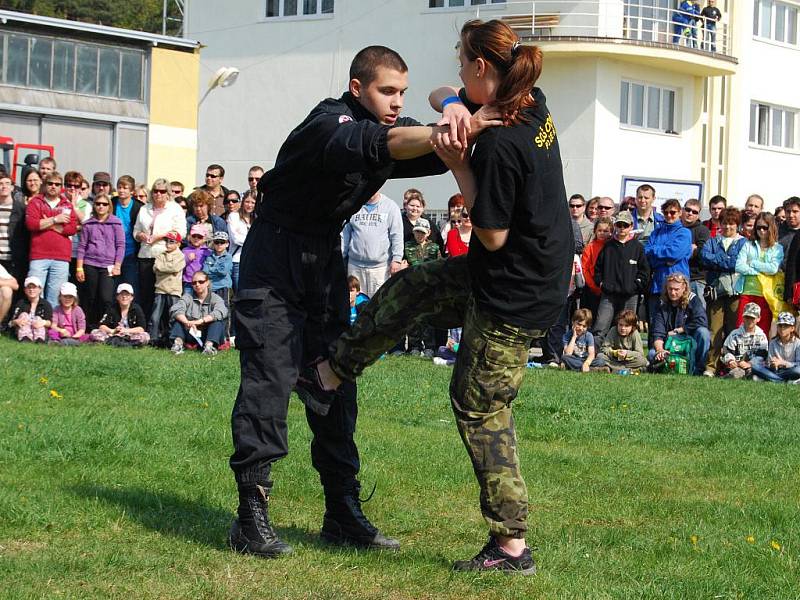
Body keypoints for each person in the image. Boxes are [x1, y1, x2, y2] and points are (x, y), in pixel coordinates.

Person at [298, 21, 573, 573]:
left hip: (514, 292)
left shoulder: (499, 143)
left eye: (458, 66)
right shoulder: (530, 101)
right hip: (515, 272)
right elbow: (436, 96)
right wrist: (453, 109)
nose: (452, 76)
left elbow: (492, 234)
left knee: (479, 405)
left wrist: (455, 162)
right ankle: (327, 376)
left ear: (479, 68)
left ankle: (511, 545)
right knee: (414, 286)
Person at [230, 44, 488, 559]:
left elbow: (430, 154)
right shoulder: (329, 124)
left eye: (402, 93)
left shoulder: (387, 125)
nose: (396, 101)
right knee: (270, 377)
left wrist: (457, 114)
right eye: (386, 91)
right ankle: (250, 513)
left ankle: (341, 511)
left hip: (324, 257)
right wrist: (451, 124)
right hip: (274, 257)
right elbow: (383, 142)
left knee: (333, 378)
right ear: (357, 88)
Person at [700, 207, 747, 376]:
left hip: (735, 292)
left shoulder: (743, 242)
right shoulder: (713, 241)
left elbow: (738, 263)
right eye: (725, 223)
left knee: (733, 330)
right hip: (715, 292)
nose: (728, 227)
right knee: (715, 331)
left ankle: (731, 366)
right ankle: (711, 366)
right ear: (720, 224)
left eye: (732, 223)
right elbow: (704, 258)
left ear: (737, 225)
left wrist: (718, 261)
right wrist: (725, 260)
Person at [592, 211, 650, 342]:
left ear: (631, 226)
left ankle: (625, 358)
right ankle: (595, 356)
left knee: (627, 328)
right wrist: (601, 284)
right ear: (615, 226)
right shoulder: (608, 246)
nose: (622, 228)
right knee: (601, 326)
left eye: (625, 225)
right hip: (608, 295)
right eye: (619, 225)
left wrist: (635, 286)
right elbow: (597, 269)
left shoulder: (638, 247)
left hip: (630, 296)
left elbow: (644, 271)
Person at [133, 179, 186, 317]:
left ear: (168, 193)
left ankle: (164, 329)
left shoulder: (175, 209)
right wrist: (141, 235)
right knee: (146, 293)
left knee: (163, 294)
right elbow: (135, 230)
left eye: (162, 191)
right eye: (155, 191)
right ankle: (147, 327)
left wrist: (161, 236)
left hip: (165, 255)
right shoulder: (144, 208)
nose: (158, 194)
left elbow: (181, 232)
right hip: (145, 254)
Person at [25, 170, 78, 306]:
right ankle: (35, 323)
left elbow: (72, 229)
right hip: (39, 255)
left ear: (61, 187)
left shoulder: (67, 204)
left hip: (61, 257)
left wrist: (47, 223)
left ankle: (50, 325)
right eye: (50, 183)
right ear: (45, 184)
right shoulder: (36, 202)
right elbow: (32, 224)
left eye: (57, 184)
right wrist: (56, 219)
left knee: (55, 297)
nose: (53, 186)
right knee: (34, 293)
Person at [644, 198, 692, 342]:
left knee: (676, 324)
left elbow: (675, 253)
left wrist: (656, 252)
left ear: (680, 213)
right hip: (658, 285)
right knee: (655, 323)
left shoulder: (684, 233)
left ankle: (677, 357)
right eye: (666, 212)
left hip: (678, 286)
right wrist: (665, 258)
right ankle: (654, 356)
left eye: (673, 212)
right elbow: (647, 254)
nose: (669, 215)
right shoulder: (655, 233)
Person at [341, 190, 404, 297]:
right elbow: (345, 235)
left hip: (380, 269)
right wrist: (340, 256)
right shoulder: (353, 205)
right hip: (355, 266)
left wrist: (397, 259)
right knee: (353, 304)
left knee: (377, 303)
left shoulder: (390, 206)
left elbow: (397, 235)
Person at [76, 192, 125, 329]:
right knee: (90, 297)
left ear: (109, 206)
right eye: (98, 204)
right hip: (90, 263)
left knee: (106, 298)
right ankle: (88, 326)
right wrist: (79, 268)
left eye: (104, 204)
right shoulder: (88, 224)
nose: (101, 207)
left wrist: (117, 265)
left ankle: (106, 325)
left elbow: (120, 245)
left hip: (108, 265)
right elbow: (82, 247)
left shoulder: (116, 223)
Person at [649, 272, 710, 375]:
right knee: (651, 354)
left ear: (684, 288)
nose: (673, 293)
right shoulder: (661, 304)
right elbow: (657, 333)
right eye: (670, 289)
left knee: (703, 332)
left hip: (690, 344)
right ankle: (666, 366)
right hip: (670, 345)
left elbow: (702, 320)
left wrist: (681, 330)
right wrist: (660, 350)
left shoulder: (693, 299)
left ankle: (699, 369)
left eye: (676, 289)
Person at [735, 212, 783, 333]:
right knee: (741, 329)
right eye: (758, 227)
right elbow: (739, 266)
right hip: (747, 292)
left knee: (762, 331)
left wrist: (753, 263)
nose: (761, 231)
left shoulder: (777, 248)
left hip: (765, 295)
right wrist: (758, 272)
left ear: (771, 228)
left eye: (765, 228)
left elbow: (773, 269)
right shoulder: (748, 245)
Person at [168, 270, 227, 355]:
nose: (197, 285)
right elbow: (175, 309)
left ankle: (209, 347)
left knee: (217, 322)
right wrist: (187, 322)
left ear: (207, 282)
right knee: (178, 321)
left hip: (208, 335)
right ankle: (178, 345)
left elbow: (221, 311)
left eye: (201, 282)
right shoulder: (187, 297)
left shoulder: (216, 298)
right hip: (190, 331)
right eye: (194, 283)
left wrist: (200, 321)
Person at [149, 230, 186, 345]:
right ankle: (153, 338)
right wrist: (167, 268)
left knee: (174, 316)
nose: (168, 244)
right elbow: (155, 268)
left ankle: (173, 339)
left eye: (171, 242)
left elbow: (175, 268)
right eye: (166, 241)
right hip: (160, 288)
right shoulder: (161, 255)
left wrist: (163, 268)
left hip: (174, 290)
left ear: (178, 244)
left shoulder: (180, 256)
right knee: (155, 316)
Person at [719, 302, 768, 379]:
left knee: (756, 376)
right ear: (743, 317)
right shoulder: (735, 334)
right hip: (736, 366)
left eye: (752, 318)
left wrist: (750, 364)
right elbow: (727, 350)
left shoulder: (762, 336)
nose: (749, 320)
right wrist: (731, 361)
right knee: (735, 374)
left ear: (758, 319)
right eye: (747, 317)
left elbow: (763, 355)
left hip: (754, 367)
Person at [113, 175, 143, 296]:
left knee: (131, 287)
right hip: (113, 253)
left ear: (132, 191)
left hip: (131, 253)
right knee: (113, 288)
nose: (121, 190)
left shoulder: (138, 207)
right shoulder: (112, 203)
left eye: (125, 188)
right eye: (119, 187)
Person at [750, 312, 800, 383]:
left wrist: (783, 363)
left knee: (798, 370)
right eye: (780, 325)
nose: (782, 328)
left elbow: (798, 364)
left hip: (790, 370)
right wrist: (772, 364)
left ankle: (769, 378)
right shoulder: (773, 342)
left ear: (792, 328)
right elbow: (769, 363)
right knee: (755, 366)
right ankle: (783, 381)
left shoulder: (798, 343)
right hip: (775, 371)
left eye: (785, 326)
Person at [580, 217, 613, 320]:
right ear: (595, 231)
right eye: (599, 230)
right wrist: (594, 287)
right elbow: (585, 269)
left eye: (606, 231)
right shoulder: (590, 247)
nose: (602, 233)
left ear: (611, 232)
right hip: (592, 289)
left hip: (609, 288)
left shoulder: (613, 247)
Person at [596, 309, 648, 373]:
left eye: (626, 326)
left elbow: (640, 353)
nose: (623, 328)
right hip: (614, 359)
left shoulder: (635, 333)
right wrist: (614, 352)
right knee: (600, 356)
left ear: (632, 326)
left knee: (642, 361)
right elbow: (604, 348)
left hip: (629, 360)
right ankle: (628, 370)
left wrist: (627, 353)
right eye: (620, 325)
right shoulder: (613, 330)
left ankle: (614, 369)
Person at [0, 173, 27, 294]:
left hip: (14, 259)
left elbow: (26, 235)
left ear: (12, 187)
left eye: (7, 183)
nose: (3, 186)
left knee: (14, 292)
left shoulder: (21, 209)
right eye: (0, 184)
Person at [681, 198, 711, 307]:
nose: (690, 213)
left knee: (698, 316)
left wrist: (694, 250)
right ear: (682, 210)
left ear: (698, 215)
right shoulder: (676, 228)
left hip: (696, 279)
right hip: (677, 279)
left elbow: (703, 254)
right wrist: (688, 249)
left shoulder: (703, 230)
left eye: (694, 212)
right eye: (688, 210)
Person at [9, 275, 52, 342]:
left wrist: (43, 322)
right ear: (25, 290)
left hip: (39, 329)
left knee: (38, 318)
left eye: (34, 287)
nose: (31, 290)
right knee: (24, 315)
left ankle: (40, 339)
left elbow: (50, 322)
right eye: (29, 287)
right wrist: (16, 321)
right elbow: (11, 322)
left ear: (40, 289)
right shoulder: (20, 303)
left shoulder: (46, 304)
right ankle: (25, 338)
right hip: (23, 329)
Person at [228, 191, 255, 293]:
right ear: (242, 202)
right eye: (247, 202)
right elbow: (235, 239)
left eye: (252, 202)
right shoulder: (234, 216)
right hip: (237, 260)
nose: (249, 205)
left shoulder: (256, 219)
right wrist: (252, 240)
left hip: (252, 261)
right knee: (239, 291)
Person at [204, 230, 233, 308]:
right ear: (213, 243)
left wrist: (211, 269)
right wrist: (217, 269)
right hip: (211, 287)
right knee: (211, 309)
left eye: (222, 242)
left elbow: (223, 272)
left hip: (223, 287)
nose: (219, 244)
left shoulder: (228, 257)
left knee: (224, 308)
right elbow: (205, 271)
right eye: (217, 242)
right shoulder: (209, 256)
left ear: (227, 244)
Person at [182, 225, 212, 293]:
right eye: (194, 236)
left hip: (202, 283)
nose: (196, 238)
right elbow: (180, 266)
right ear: (189, 237)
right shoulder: (185, 250)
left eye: (199, 237)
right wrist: (187, 259)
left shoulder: (207, 251)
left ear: (204, 238)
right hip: (189, 282)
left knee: (202, 301)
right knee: (187, 301)